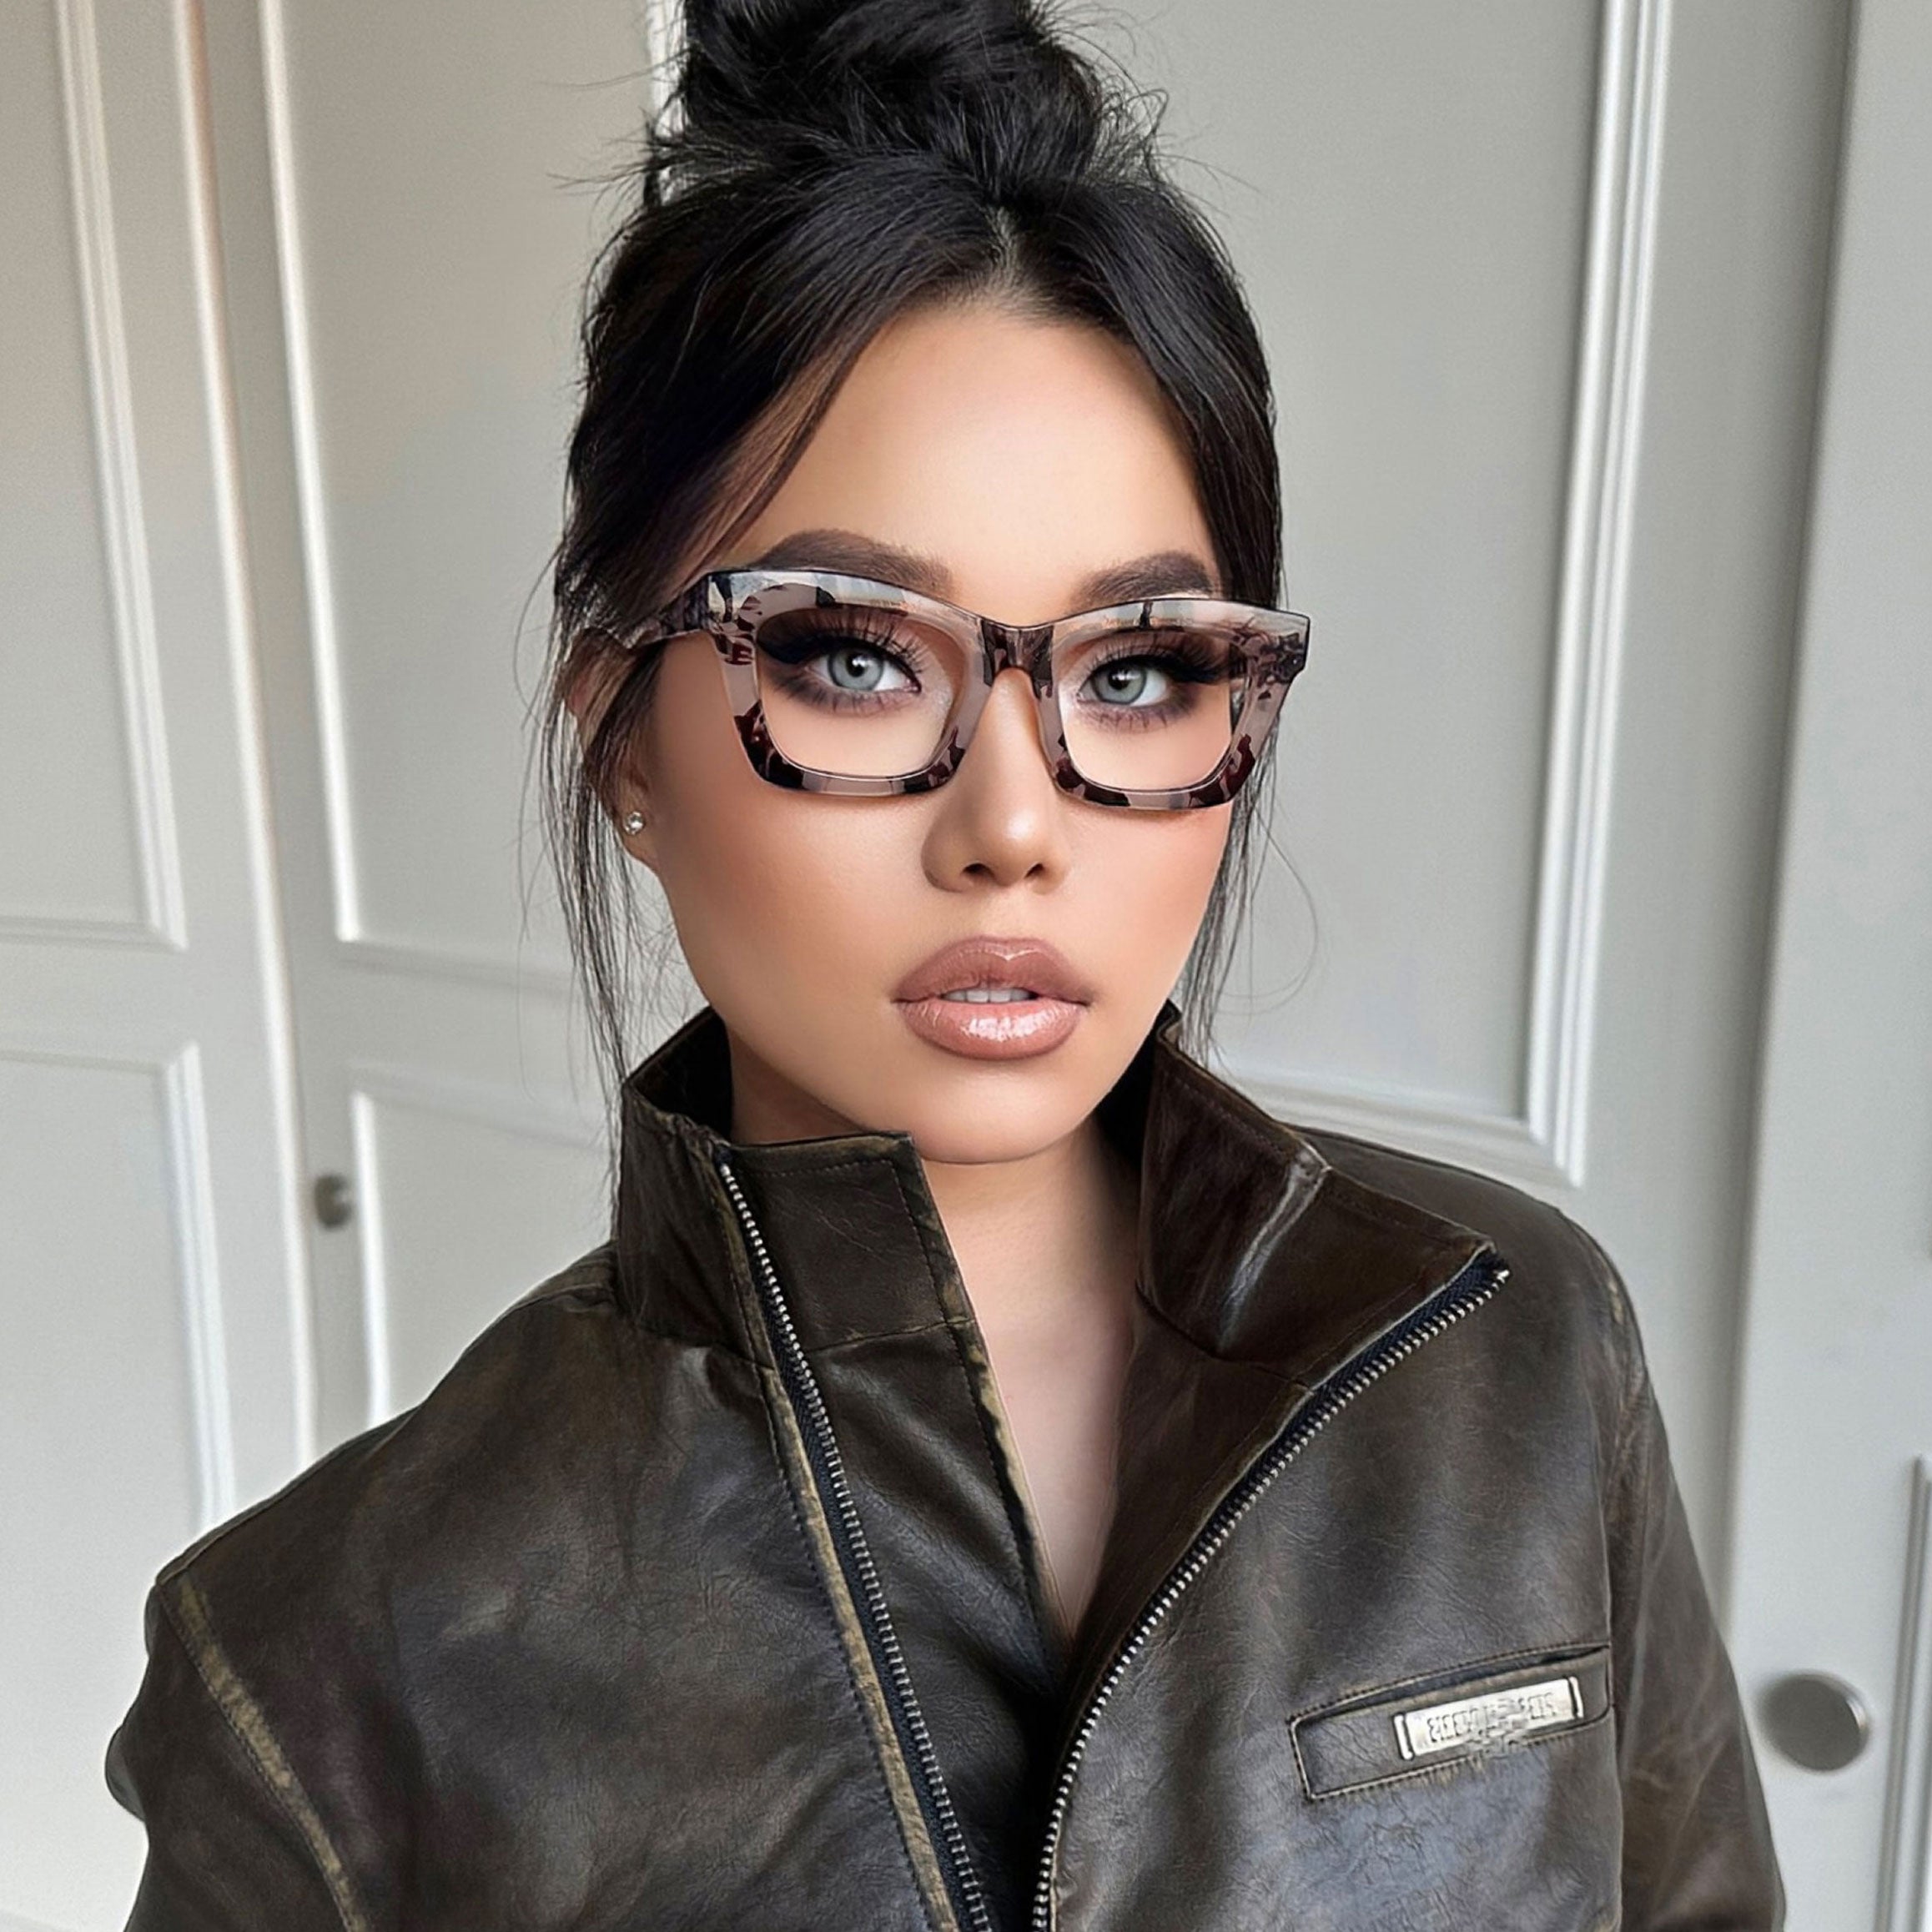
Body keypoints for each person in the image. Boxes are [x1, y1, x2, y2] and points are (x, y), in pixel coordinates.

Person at [103, 1, 1783, 1924]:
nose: (1014, 821)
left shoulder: (1523, 1349)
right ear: (620, 736)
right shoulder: (324, 1671)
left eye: (1137, 671)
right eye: (850, 654)